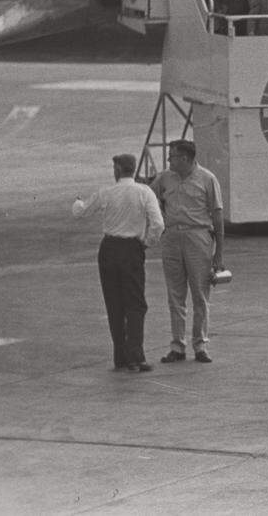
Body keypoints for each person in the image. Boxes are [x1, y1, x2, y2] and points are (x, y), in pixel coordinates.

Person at [72, 154, 164, 372]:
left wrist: (77, 201)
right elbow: (158, 224)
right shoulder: (144, 192)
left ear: (119, 169)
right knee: (135, 303)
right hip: (132, 249)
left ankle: (120, 355)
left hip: (109, 249)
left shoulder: (107, 192)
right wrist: (145, 243)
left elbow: (81, 211)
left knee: (114, 303)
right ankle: (136, 355)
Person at [151, 139, 224, 364]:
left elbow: (217, 214)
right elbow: (149, 198)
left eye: (171, 156)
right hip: (172, 236)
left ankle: (200, 344)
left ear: (184, 158)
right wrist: (160, 219)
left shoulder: (207, 179)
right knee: (175, 294)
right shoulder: (164, 178)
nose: (168, 160)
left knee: (200, 294)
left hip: (198, 236)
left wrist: (219, 253)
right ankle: (178, 345)